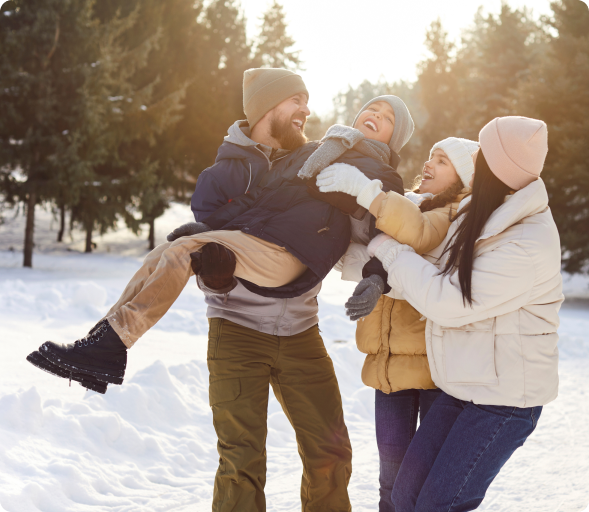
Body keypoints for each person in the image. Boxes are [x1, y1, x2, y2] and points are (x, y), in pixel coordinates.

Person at [26, 68, 413, 512]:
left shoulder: (334, 161)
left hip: (301, 331)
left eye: (386, 116)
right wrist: (213, 256)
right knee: (240, 460)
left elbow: (386, 228)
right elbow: (246, 213)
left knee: (330, 454)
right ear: (267, 107)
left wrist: (377, 274)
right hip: (236, 331)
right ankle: (104, 343)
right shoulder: (274, 162)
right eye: (371, 107)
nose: (305, 111)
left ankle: (108, 346)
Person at [321, 115, 562, 511]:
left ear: (499, 168)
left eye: (484, 155)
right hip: (462, 385)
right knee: (403, 495)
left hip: (503, 400)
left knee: (437, 504)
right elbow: (431, 271)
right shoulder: (479, 215)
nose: (477, 161)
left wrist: (388, 251)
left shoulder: (525, 241)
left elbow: (447, 302)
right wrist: (371, 271)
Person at [325, 136, 479, 511]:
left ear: (463, 179)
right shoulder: (406, 205)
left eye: (442, 161)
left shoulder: (453, 214)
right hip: (387, 368)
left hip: (430, 372)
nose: (429, 164)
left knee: (423, 483)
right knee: (389, 483)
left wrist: (367, 192)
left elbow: (418, 234)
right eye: (430, 156)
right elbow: (360, 254)